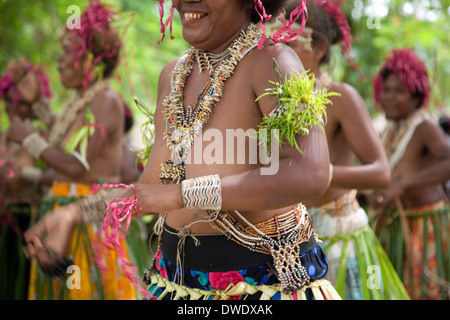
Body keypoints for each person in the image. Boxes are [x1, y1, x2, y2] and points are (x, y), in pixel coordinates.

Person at [23, 0, 342, 300]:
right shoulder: (174, 76)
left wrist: (182, 195)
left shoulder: (273, 61)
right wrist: (74, 213)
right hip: (176, 283)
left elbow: (310, 173)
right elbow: (152, 191)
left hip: (266, 285)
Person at [273, 0, 409, 300]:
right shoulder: (270, 101)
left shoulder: (338, 98)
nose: (277, 55)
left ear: (319, 48)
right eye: (273, 44)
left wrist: (321, 174)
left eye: (289, 43)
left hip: (338, 234)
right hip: (289, 237)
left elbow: (381, 172)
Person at [7, 1, 139, 300]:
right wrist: (38, 104)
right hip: (62, 218)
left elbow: (77, 165)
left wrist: (30, 140)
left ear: (90, 60)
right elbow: (64, 144)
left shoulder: (104, 99)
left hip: (85, 221)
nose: (59, 61)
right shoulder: (83, 100)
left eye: (67, 53)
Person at [371, 48, 450, 300]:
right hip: (393, 226)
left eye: (399, 91)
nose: (389, 98)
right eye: (387, 90)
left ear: (416, 96)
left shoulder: (425, 127)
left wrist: (404, 185)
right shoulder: (389, 131)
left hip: (425, 228)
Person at [0, 58, 54, 299]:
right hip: (4, 222)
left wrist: (27, 174)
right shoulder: (3, 139)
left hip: (33, 223)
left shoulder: (43, 138)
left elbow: (61, 174)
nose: (15, 107)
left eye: (22, 103)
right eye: (10, 101)